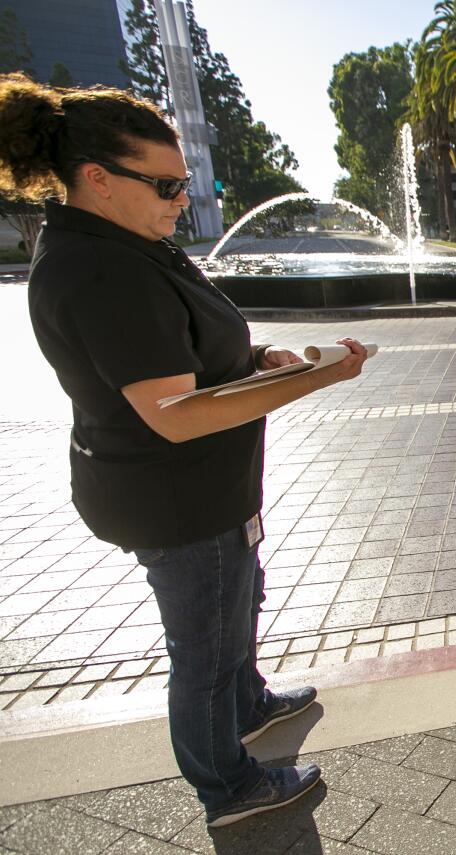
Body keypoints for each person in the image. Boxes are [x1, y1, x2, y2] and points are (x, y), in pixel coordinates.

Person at [1, 74, 369, 826]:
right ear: (98, 180)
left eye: (183, 184)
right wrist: (314, 379)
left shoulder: (132, 244)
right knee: (202, 646)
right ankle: (228, 786)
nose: (181, 200)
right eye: (166, 185)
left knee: (235, 607)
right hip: (175, 496)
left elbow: (191, 357)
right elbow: (174, 414)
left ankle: (249, 705)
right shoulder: (103, 270)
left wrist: (260, 360)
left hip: (205, 488)